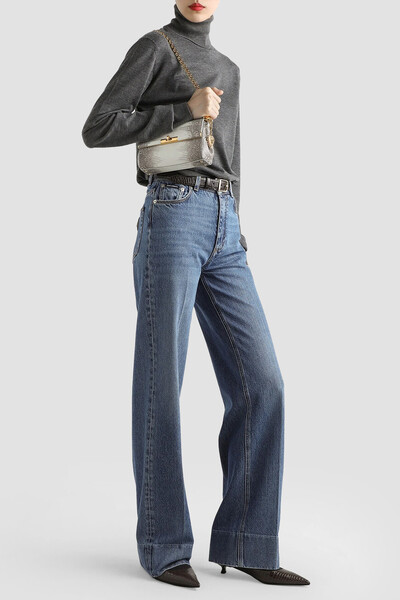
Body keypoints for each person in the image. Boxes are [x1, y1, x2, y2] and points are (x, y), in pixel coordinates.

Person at [82, 0, 310, 588]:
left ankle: (249, 541)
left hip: (225, 224)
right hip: (172, 213)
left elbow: (232, 156)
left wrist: (236, 226)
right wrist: (180, 108)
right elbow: (97, 126)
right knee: (163, 382)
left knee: (263, 383)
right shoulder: (156, 46)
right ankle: (163, 545)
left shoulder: (229, 68)